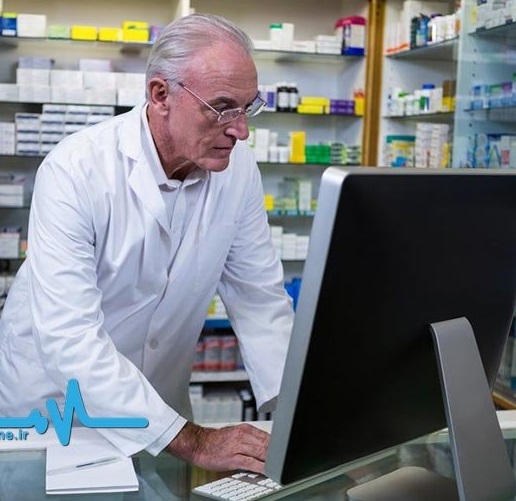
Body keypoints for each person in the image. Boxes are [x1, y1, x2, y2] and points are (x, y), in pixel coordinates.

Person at [0, 13, 294, 475]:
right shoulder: (75, 170)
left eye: (247, 107)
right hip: (55, 411)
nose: (241, 130)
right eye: (221, 108)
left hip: (161, 413)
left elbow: (259, 301)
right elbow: (69, 337)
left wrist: (297, 418)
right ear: (160, 95)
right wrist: (193, 440)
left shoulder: (239, 170)